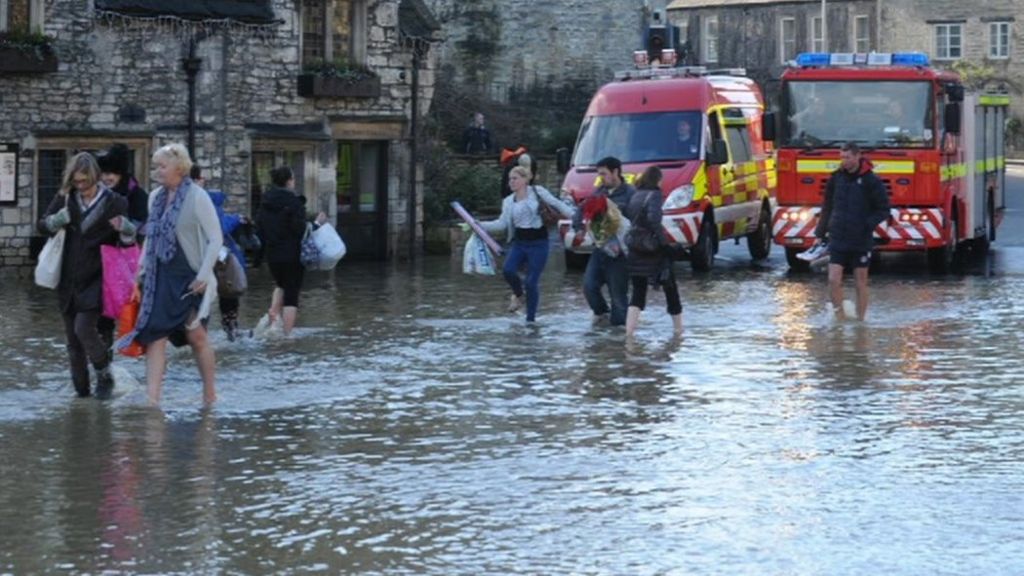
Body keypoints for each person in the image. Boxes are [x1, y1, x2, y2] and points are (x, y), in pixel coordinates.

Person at [116, 143, 222, 405]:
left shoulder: (197, 196)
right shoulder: (155, 197)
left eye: (162, 166)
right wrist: (139, 273)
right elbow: (151, 239)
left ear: (179, 167)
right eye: (155, 166)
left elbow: (215, 238)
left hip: (189, 275)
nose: (157, 171)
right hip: (159, 275)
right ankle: (153, 400)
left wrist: (204, 275)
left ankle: (210, 395)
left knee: (196, 336)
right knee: (156, 335)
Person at [38, 152, 134, 399]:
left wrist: (126, 230)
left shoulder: (115, 202)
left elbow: (127, 245)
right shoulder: (66, 197)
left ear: (95, 178)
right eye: (76, 182)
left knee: (84, 329)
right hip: (68, 277)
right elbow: (42, 225)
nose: (81, 187)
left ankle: (104, 374)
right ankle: (82, 396)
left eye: (85, 182)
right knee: (73, 344)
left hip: (98, 277)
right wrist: (56, 221)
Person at [477, 165, 575, 323]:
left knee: (531, 282)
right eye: (509, 179)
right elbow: (501, 224)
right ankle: (519, 295)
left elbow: (557, 204)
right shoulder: (508, 201)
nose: (511, 182)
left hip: (539, 243)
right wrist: (479, 224)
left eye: (515, 178)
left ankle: (531, 321)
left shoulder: (537, 191)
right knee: (508, 271)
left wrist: (576, 217)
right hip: (520, 242)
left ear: (524, 179)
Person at [813, 142, 890, 321]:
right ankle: (840, 317)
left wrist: (866, 224)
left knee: (860, 283)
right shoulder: (836, 178)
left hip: (860, 239)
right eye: (841, 157)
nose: (844, 161)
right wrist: (820, 233)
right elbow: (827, 206)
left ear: (857, 156)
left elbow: (884, 209)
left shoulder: (872, 180)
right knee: (833, 279)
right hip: (838, 236)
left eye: (847, 157)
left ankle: (860, 320)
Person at [255, 165, 327, 336]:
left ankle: (273, 315)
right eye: (293, 179)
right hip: (292, 255)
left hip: (272, 255)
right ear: (288, 181)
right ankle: (287, 337)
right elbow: (300, 230)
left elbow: (259, 228)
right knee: (292, 295)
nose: (294, 182)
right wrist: (316, 223)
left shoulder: (265, 203)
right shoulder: (294, 203)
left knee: (280, 284)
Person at [96, 143, 149, 351]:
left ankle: (140, 349)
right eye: (104, 173)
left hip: (128, 261)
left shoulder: (137, 195)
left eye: (112, 173)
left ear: (121, 174)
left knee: (131, 306)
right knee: (103, 312)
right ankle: (104, 358)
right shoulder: (98, 194)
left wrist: (125, 229)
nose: (107, 178)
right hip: (100, 260)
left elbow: (141, 227)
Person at [573, 156, 635, 326]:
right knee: (589, 287)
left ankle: (619, 341)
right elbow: (581, 210)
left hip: (620, 255)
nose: (601, 177)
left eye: (603, 174)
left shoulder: (631, 194)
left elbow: (637, 222)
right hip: (600, 250)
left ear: (616, 172)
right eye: (599, 174)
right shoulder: (598, 192)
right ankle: (602, 315)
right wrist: (578, 228)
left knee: (618, 298)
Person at [624, 166, 682, 339]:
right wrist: (665, 245)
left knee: (637, 292)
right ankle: (678, 332)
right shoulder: (654, 195)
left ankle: (629, 335)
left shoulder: (635, 194)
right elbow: (654, 220)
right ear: (658, 180)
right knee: (670, 289)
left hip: (635, 248)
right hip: (653, 251)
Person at [191, 165, 248, 341]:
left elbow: (218, 227)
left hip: (216, 257)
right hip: (200, 257)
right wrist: (236, 219)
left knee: (227, 292)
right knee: (214, 294)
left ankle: (228, 330)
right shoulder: (188, 201)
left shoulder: (206, 201)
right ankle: (204, 333)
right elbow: (221, 226)